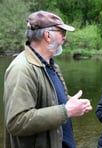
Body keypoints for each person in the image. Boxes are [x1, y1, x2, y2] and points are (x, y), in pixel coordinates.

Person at [3, 10, 92, 148]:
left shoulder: (50, 64)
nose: (64, 38)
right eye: (62, 32)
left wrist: (70, 102)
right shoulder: (21, 69)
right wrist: (66, 111)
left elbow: (49, 99)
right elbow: (16, 122)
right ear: (48, 35)